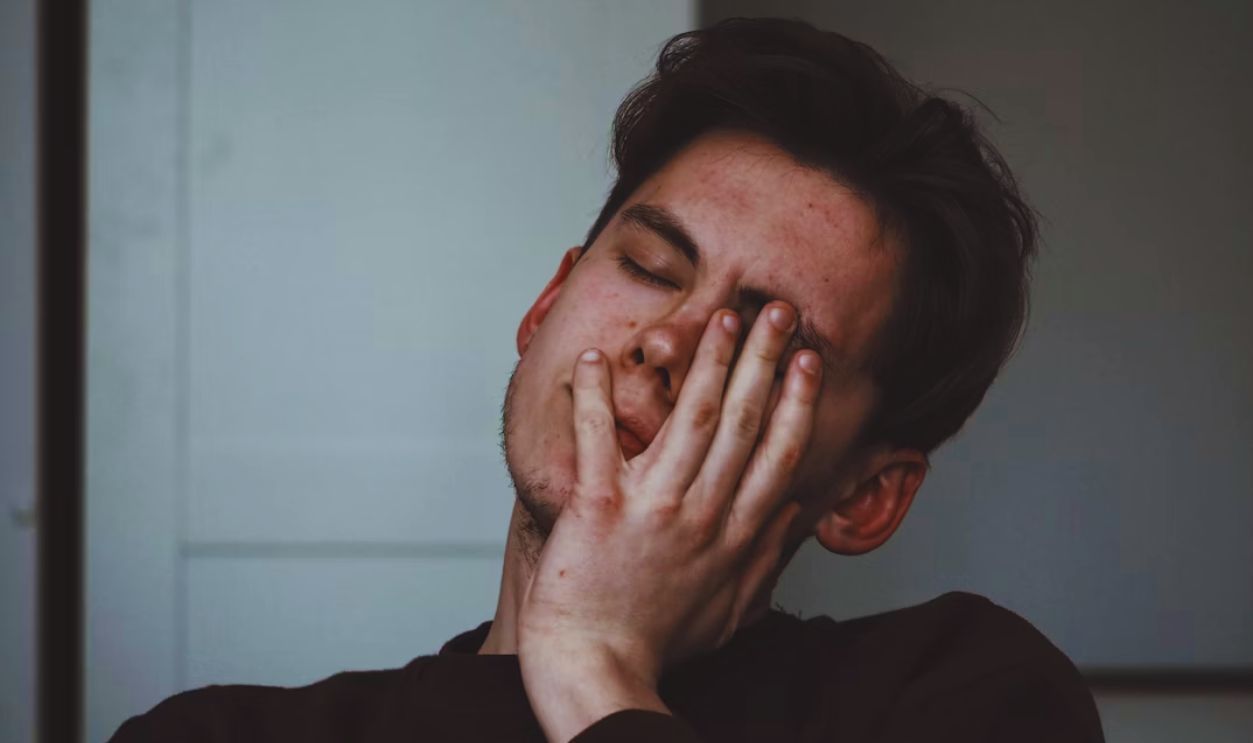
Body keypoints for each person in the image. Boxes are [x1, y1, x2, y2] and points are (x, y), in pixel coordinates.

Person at [111, 17, 1104, 743]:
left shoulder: (961, 694)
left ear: (863, 494)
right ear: (546, 306)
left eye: (760, 338)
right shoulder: (213, 732)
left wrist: (594, 662)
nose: (665, 341)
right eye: (650, 269)